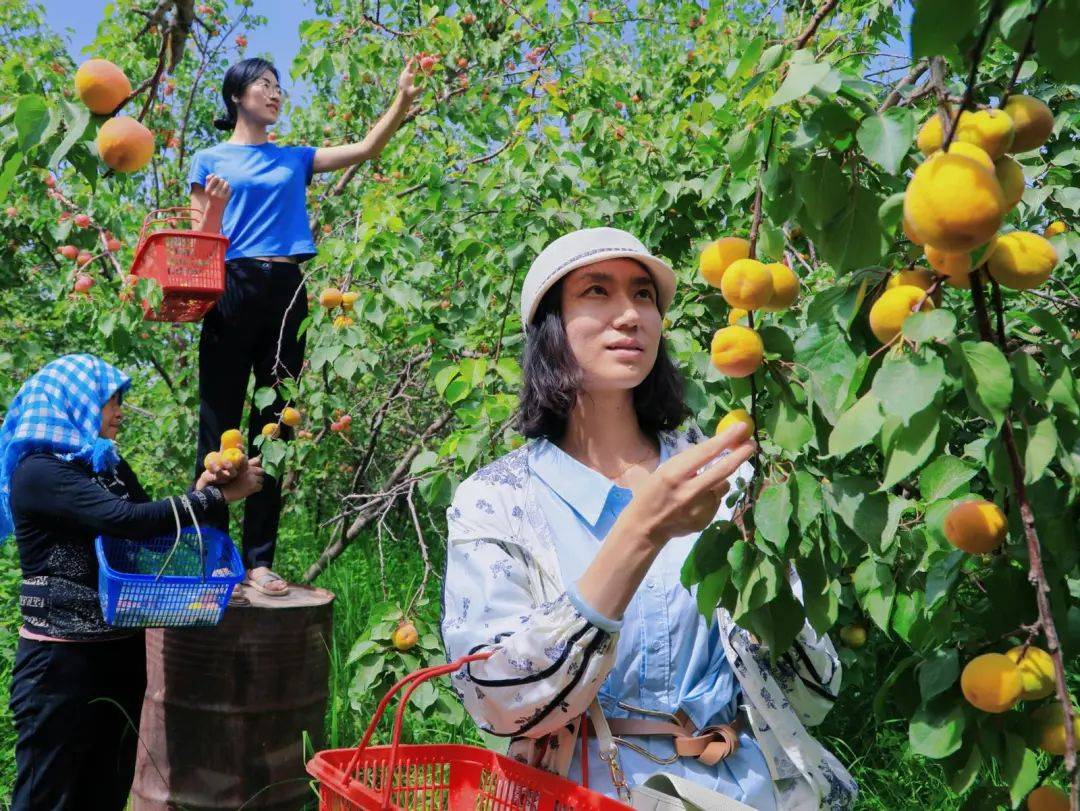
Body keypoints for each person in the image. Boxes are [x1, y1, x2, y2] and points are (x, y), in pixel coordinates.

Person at [440, 229, 857, 809]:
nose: (629, 315)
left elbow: (812, 694)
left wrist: (767, 589)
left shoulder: (721, 474)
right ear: (550, 325)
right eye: (596, 291)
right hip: (581, 792)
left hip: (742, 788)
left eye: (642, 295)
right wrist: (643, 531)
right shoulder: (498, 499)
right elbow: (496, 702)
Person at [188, 56, 421, 596]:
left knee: (275, 425)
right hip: (230, 284)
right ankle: (215, 561)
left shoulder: (294, 158)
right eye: (264, 85)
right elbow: (199, 239)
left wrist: (402, 99)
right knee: (217, 424)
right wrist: (219, 209)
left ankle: (259, 562)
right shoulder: (209, 158)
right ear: (236, 97)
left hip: (287, 291)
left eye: (278, 85)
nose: (274, 94)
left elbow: (366, 149)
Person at [0, 354, 263, 810]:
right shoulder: (39, 471)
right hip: (60, 665)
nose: (120, 410)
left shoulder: (108, 468)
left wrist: (204, 487)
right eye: (111, 400)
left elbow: (154, 538)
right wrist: (211, 498)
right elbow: (125, 520)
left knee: (106, 788)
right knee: (50, 794)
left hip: (119, 655)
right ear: (75, 401)